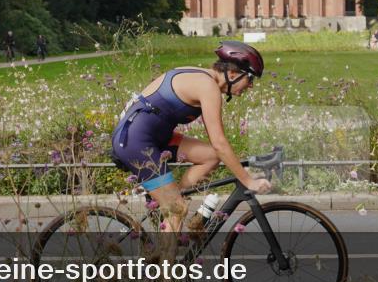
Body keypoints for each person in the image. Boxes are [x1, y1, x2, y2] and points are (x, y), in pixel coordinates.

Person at [110, 41, 272, 243]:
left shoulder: (202, 77)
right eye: (250, 79)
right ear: (232, 74)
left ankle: (171, 202)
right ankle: (164, 272)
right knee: (177, 210)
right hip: (135, 140)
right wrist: (247, 180)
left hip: (153, 136)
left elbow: (216, 150)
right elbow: (220, 142)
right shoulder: (208, 87)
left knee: (210, 157)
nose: (251, 86)